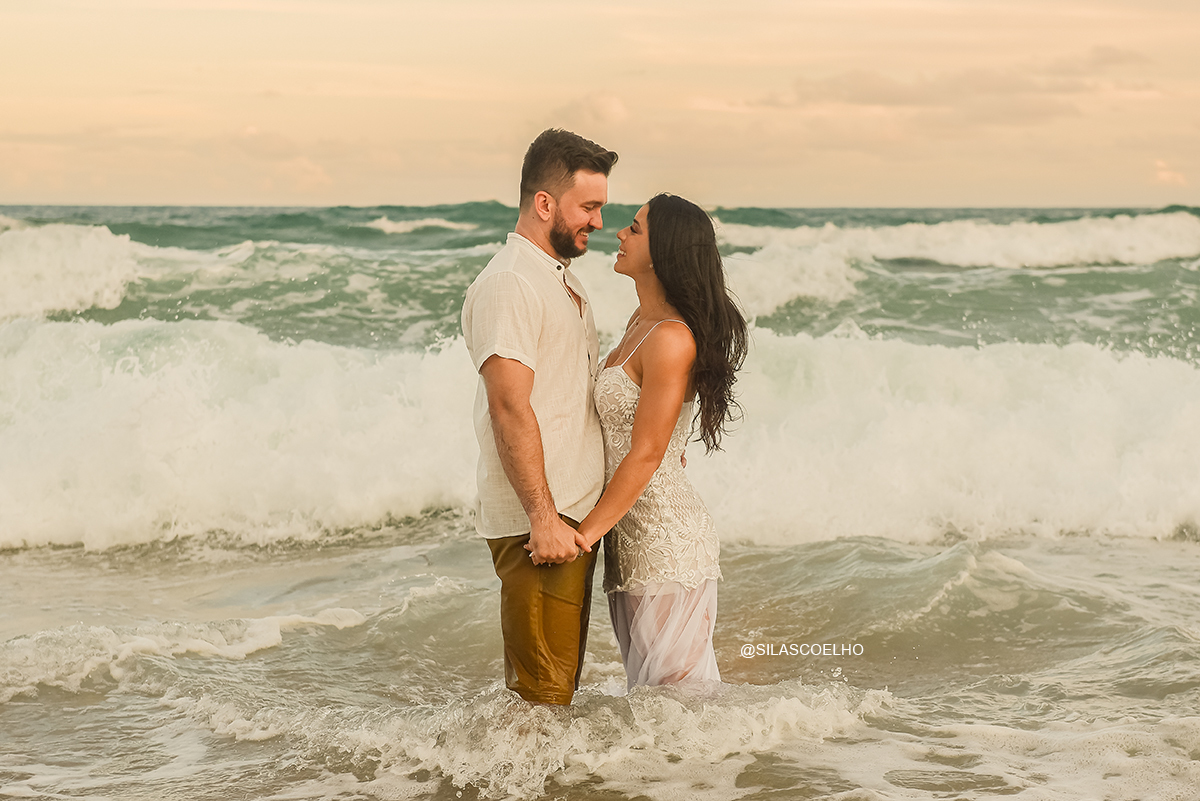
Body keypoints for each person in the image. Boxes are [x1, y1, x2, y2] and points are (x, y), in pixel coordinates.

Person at [460, 129, 617, 705]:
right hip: (540, 526)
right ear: (545, 203)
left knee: (558, 690)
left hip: (569, 518)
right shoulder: (509, 283)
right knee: (541, 697)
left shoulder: (558, 279)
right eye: (590, 207)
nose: (599, 222)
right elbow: (508, 405)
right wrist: (544, 519)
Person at [568, 194, 747, 689]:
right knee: (654, 705)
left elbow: (647, 452)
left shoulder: (670, 338)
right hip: (629, 538)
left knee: (681, 706)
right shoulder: (637, 324)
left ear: (663, 250)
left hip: (666, 542)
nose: (620, 234)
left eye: (635, 228)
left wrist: (584, 535)